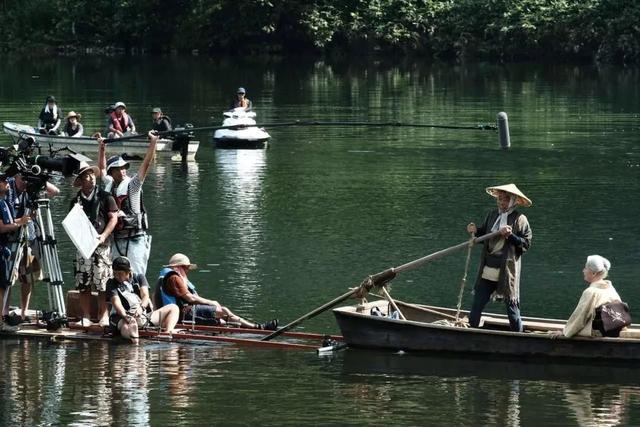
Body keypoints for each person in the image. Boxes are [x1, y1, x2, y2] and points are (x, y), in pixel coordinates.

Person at [466, 183, 533, 332]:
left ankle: (519, 336)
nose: (501, 203)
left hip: (507, 271)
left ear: (513, 201)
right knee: (477, 303)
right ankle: (470, 332)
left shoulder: (520, 219)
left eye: (505, 200)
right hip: (488, 269)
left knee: (512, 308)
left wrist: (510, 236)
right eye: (499, 199)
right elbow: (484, 235)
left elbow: (525, 244)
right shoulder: (492, 215)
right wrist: (475, 230)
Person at [155, 253, 278, 329]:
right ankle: (256, 327)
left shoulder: (168, 277)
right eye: (186, 268)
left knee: (222, 320)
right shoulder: (174, 278)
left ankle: (249, 327)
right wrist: (211, 302)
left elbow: (154, 296)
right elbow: (190, 298)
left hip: (183, 312)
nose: (187, 270)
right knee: (222, 310)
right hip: (183, 314)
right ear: (178, 267)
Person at [98, 131, 157, 275]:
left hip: (135, 237)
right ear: (112, 172)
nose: (123, 171)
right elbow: (101, 169)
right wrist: (102, 148)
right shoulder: (109, 184)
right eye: (118, 169)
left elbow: (146, 165)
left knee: (136, 277)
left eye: (124, 168)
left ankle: (141, 297)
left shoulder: (133, 185)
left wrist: (153, 143)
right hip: (116, 238)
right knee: (118, 277)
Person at [6, 168, 60, 323]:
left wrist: (39, 178)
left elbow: (55, 191)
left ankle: (24, 312)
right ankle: (4, 312)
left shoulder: (32, 188)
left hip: (29, 237)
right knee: (8, 278)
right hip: (11, 238)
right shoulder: (8, 187)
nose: (25, 182)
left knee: (28, 277)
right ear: (16, 176)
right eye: (23, 177)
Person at [70, 161, 118, 327]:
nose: (91, 178)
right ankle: (85, 316)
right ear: (81, 181)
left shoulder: (105, 196)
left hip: (102, 245)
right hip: (83, 247)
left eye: (92, 175)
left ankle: (103, 316)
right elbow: (72, 224)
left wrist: (104, 235)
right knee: (83, 284)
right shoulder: (75, 200)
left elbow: (114, 218)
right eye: (86, 176)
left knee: (103, 282)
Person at [106, 256, 179, 342]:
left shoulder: (139, 277)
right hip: (121, 317)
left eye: (120, 274)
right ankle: (134, 340)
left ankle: (167, 331)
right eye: (115, 273)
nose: (117, 276)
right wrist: (126, 317)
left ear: (128, 272)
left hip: (142, 316)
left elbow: (145, 296)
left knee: (173, 308)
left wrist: (141, 309)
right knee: (126, 326)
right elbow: (116, 303)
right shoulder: (111, 283)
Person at [551, 255, 624, 338]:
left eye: (586, 268)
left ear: (593, 273)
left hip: (599, 333)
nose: (583, 271)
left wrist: (565, 333)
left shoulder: (591, 292)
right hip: (615, 330)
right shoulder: (610, 288)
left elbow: (580, 317)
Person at [0, 173, 31, 332]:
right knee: (3, 283)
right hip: (4, 244)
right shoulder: (1, 202)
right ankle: (2, 319)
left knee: (8, 282)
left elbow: (9, 222)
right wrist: (22, 222)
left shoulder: (3, 202)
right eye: (3, 181)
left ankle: (4, 318)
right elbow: (3, 226)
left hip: (9, 245)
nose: (7, 183)